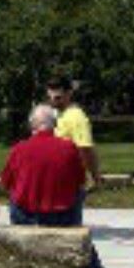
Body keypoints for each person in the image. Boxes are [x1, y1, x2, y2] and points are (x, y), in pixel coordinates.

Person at [0, 104, 87, 226]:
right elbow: (80, 180)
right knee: (80, 192)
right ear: (55, 125)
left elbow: (6, 182)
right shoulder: (70, 148)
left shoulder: (19, 149)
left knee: (14, 192)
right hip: (62, 215)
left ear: (32, 125)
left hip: (25, 215)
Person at [45, 78, 98, 211]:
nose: (52, 101)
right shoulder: (59, 115)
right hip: (58, 180)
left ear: (69, 94)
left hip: (71, 181)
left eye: (57, 98)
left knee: (68, 220)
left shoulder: (76, 117)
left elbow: (85, 149)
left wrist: (94, 175)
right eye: (49, 97)